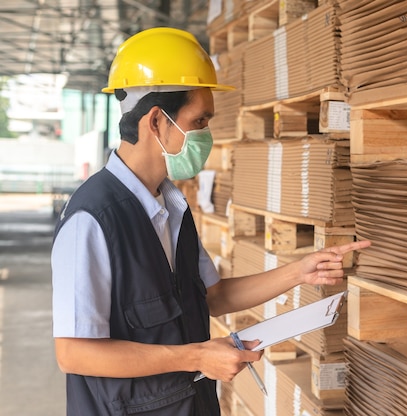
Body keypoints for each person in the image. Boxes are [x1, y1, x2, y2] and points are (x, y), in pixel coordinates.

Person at [50, 27, 370, 415]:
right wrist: (197, 356)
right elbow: (73, 353)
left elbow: (213, 297)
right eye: (200, 122)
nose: (206, 136)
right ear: (156, 122)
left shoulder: (172, 208)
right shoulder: (93, 219)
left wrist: (300, 272)